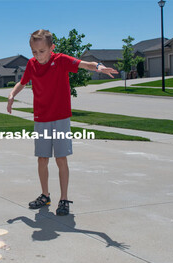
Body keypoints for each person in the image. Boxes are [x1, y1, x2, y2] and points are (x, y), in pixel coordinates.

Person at [7, 29, 118, 216]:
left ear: (52, 47)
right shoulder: (32, 64)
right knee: (42, 158)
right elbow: (23, 82)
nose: (38, 55)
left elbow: (85, 64)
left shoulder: (60, 60)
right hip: (41, 118)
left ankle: (64, 199)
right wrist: (11, 95)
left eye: (42, 51)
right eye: (34, 52)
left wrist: (98, 66)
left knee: (60, 159)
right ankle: (45, 195)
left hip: (60, 118)